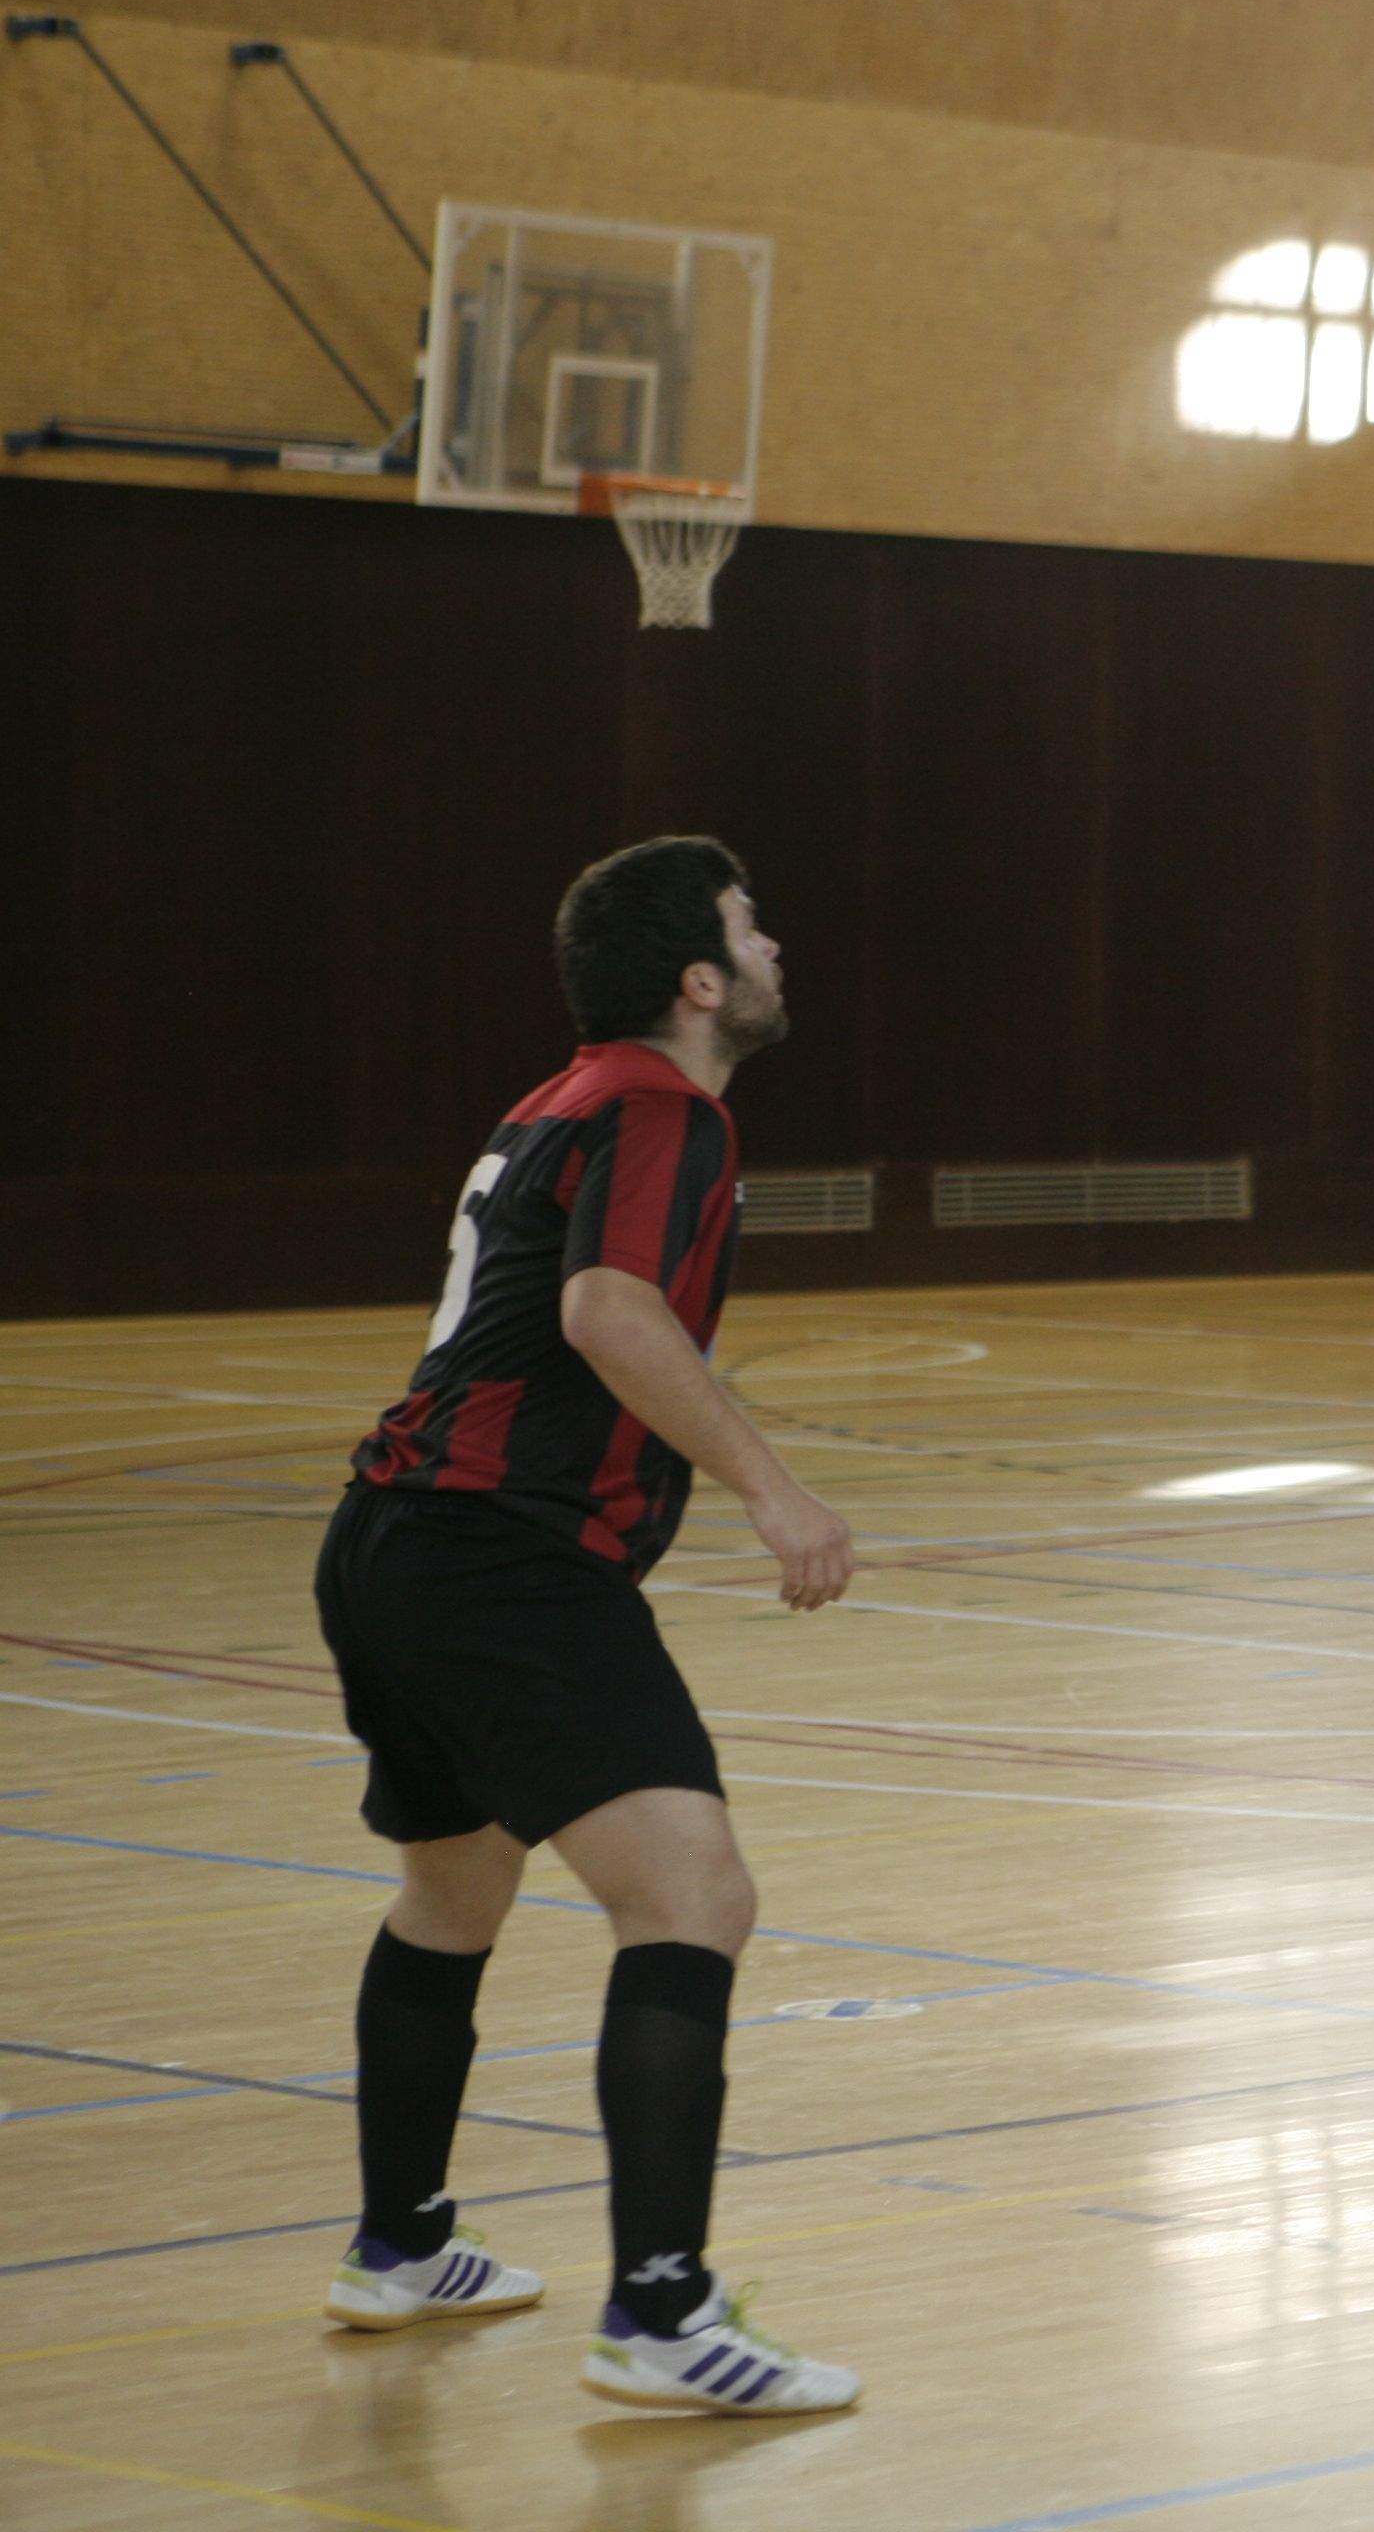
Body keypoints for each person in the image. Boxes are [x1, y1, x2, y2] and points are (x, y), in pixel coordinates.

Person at [315, 837, 864, 2416]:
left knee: (451, 1894)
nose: (774, 949)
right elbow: (607, 1310)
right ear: (698, 979)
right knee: (692, 1895)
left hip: (390, 1548)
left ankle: (400, 2246)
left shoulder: (558, 1099)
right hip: (500, 1560)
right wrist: (774, 1491)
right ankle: (662, 2316)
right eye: (751, 929)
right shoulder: (660, 1109)